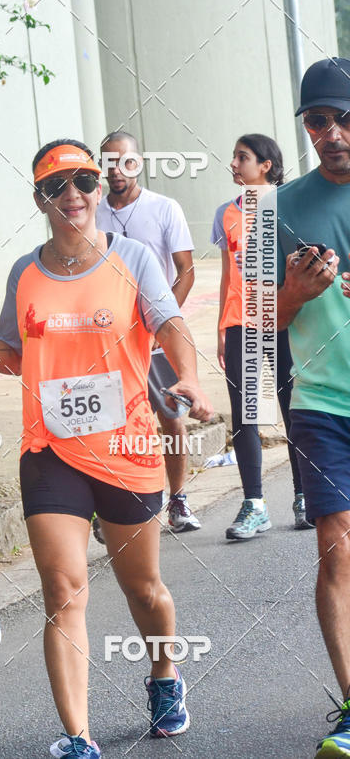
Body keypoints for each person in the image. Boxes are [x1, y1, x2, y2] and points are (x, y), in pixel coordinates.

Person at [0, 140, 213, 757]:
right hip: (50, 450)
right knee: (62, 588)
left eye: (85, 182)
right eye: (57, 187)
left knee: (143, 588)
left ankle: (165, 673)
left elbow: (169, 324)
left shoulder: (134, 258)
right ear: (39, 199)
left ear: (99, 187)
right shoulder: (25, 272)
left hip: (128, 446)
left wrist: (188, 377)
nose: (74, 197)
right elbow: (14, 356)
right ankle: (77, 738)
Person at [274, 58, 350, 759]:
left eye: (344, 118)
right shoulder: (283, 208)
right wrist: (297, 291)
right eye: (319, 121)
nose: (333, 132)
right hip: (323, 402)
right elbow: (258, 319)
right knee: (339, 546)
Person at [96, 130, 200, 534]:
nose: (117, 170)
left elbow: (186, 272)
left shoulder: (163, 208)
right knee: (109, 421)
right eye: (108, 162)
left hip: (156, 337)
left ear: (138, 162)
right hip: (110, 338)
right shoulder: (93, 212)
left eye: (125, 161)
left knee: (170, 417)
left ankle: (177, 500)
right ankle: (112, 509)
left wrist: (160, 325)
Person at [211, 134, 310, 540]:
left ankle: (305, 496)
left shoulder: (291, 206)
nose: (234, 163)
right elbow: (226, 274)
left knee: (294, 407)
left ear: (266, 165)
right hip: (240, 324)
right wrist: (220, 326)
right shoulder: (225, 213)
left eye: (242, 157)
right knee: (245, 412)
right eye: (234, 156)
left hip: (285, 320)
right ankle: (254, 504)